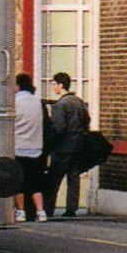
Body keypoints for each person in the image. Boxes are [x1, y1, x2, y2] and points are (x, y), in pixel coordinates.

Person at [44, 72, 89, 218]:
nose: (53, 87)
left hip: (62, 147)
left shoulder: (60, 105)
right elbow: (87, 120)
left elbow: (59, 128)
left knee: (53, 179)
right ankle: (72, 208)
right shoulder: (79, 102)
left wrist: (51, 144)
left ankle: (48, 207)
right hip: (78, 145)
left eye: (54, 84)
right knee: (73, 178)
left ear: (61, 85)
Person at [12, 73, 48, 222]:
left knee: (19, 183)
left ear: (18, 86)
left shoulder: (14, 102)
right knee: (35, 184)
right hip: (36, 148)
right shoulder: (38, 102)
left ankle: (21, 212)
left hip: (18, 147)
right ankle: (41, 212)